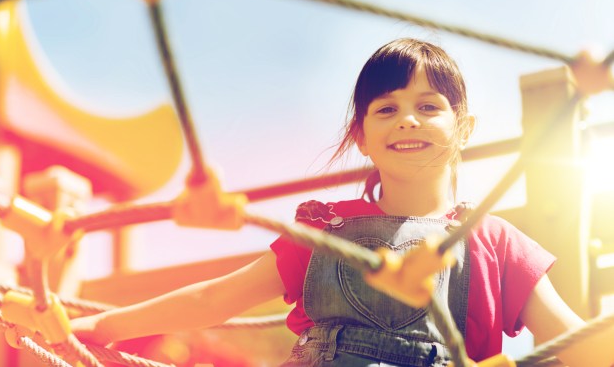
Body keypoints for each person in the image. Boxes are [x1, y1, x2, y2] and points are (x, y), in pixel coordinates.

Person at [71, 38, 613, 366]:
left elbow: (574, 340)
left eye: (429, 105)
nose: (408, 118)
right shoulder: (325, 231)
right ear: (360, 135)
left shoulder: (496, 243)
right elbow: (214, 298)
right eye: (387, 108)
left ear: (464, 128)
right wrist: (102, 327)